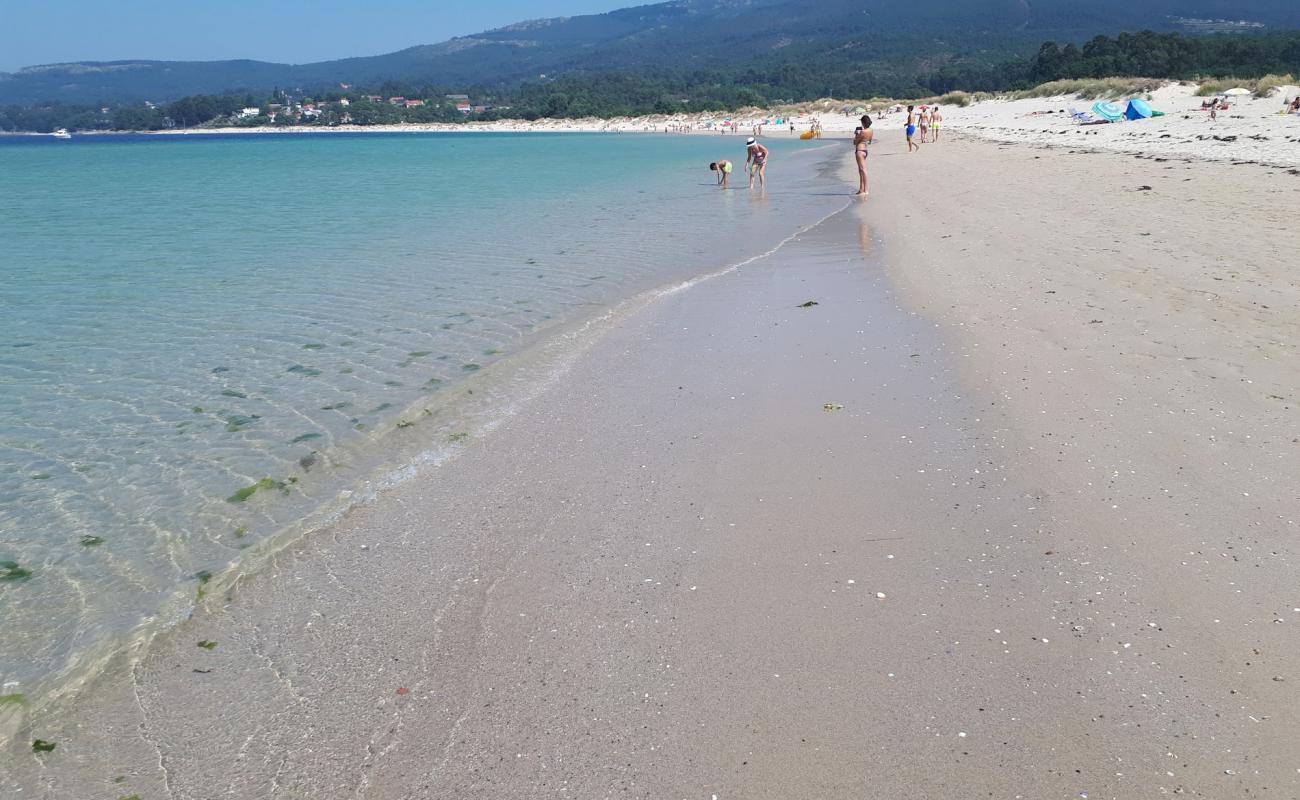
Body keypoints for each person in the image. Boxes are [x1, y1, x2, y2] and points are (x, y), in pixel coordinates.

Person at [853, 115, 874, 196]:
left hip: (859, 150)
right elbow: (870, 141)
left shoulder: (862, 132)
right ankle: (861, 189)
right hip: (865, 150)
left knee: (863, 170)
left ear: (863, 122)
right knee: (861, 170)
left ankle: (866, 190)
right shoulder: (871, 130)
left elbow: (855, 142)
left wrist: (856, 134)